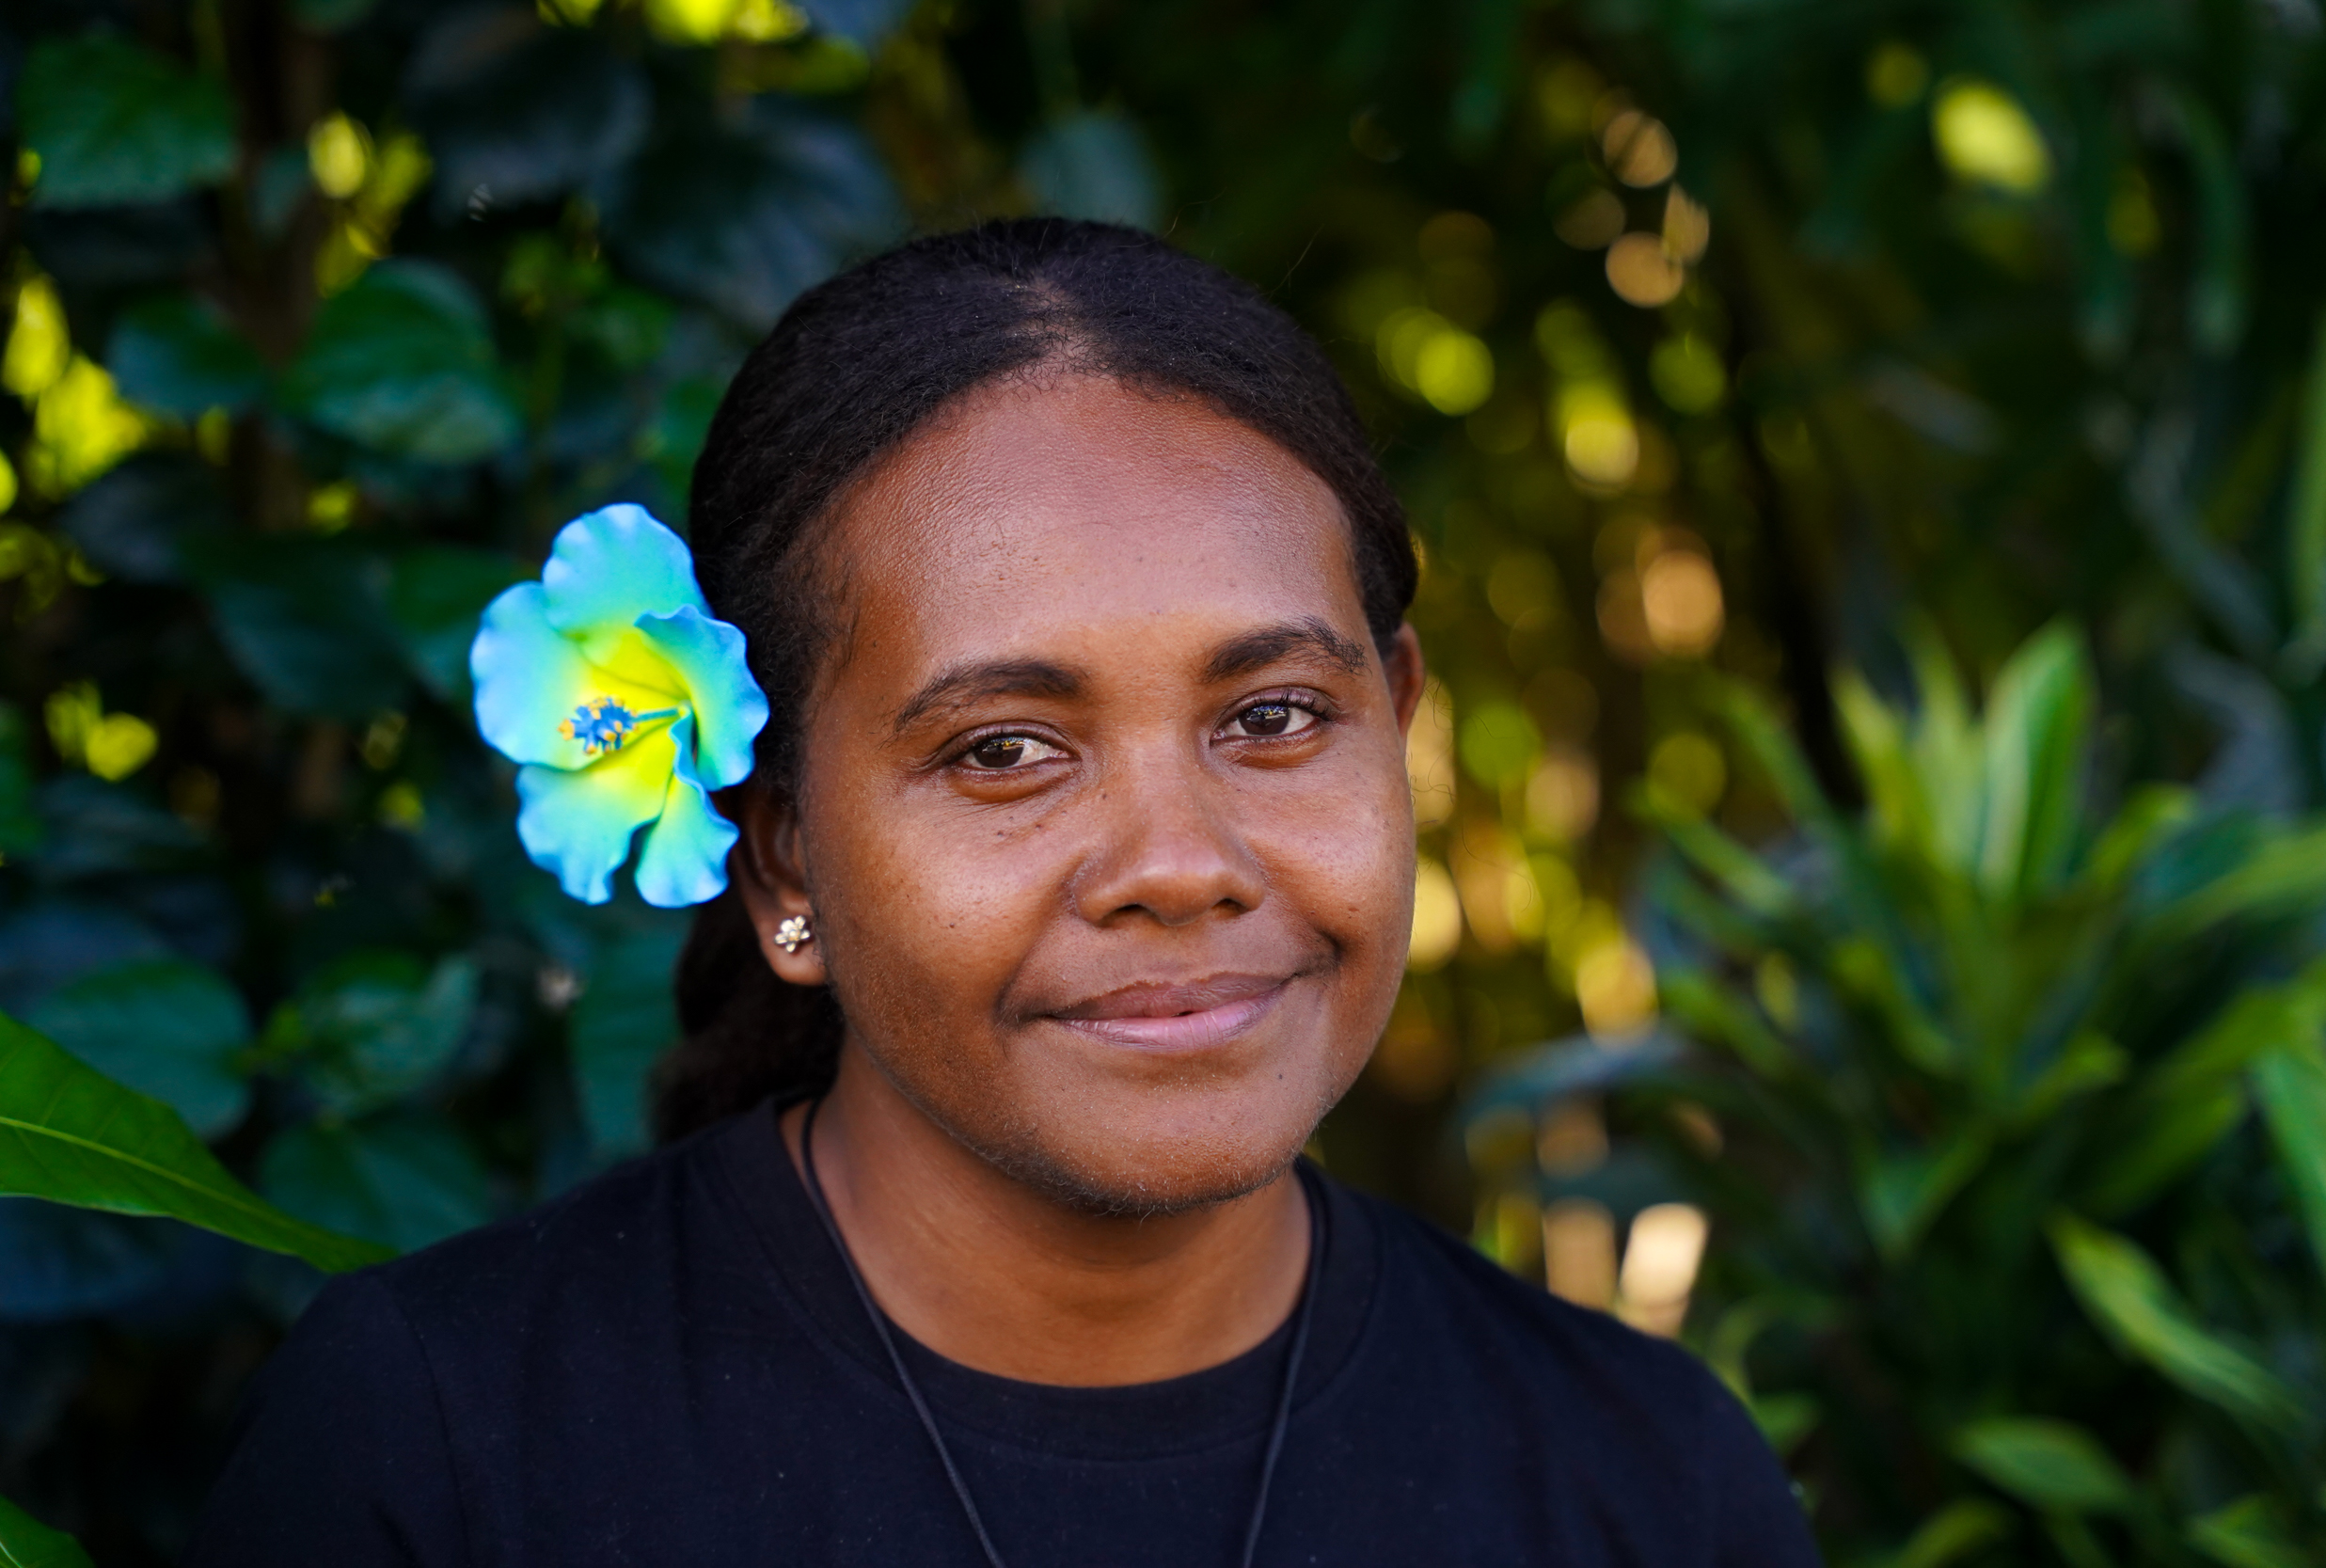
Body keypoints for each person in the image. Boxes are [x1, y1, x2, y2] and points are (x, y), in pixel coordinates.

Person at [185, 219, 1819, 1567]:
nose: (1180, 864)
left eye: (1271, 718)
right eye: (1004, 752)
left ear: (1397, 714)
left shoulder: (1652, 1489)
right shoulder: (436, 1454)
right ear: (780, 850)